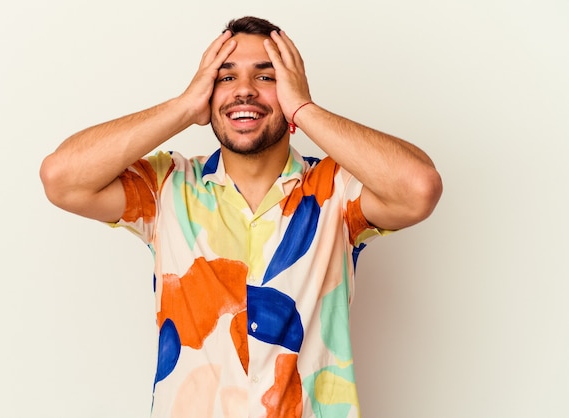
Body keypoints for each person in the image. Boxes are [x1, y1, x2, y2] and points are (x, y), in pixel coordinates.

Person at [40, 16, 442, 418]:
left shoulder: (337, 190)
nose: (244, 90)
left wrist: (303, 109)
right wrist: (183, 107)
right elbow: (62, 179)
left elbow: (419, 188)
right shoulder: (166, 188)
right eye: (226, 78)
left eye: (266, 77)